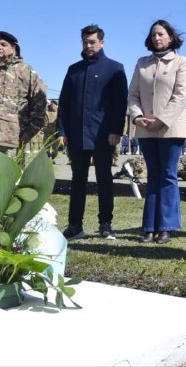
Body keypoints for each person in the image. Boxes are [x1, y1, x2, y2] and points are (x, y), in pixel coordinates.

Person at [57, 25, 128, 240]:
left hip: (103, 135)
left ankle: (105, 224)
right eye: (85, 42)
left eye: (92, 42)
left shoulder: (115, 68)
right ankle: (74, 226)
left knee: (104, 180)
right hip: (77, 135)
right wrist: (62, 130)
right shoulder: (74, 70)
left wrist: (116, 129)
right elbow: (64, 103)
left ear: (102, 43)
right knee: (77, 180)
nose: (88, 46)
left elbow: (120, 103)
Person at [128, 20, 186, 244]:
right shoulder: (141, 63)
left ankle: (166, 226)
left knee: (167, 175)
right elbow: (133, 94)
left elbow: (180, 95)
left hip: (171, 129)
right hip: (145, 129)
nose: (157, 38)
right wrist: (137, 117)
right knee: (152, 175)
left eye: (161, 34)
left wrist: (162, 120)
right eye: (154, 34)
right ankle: (149, 227)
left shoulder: (181, 62)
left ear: (171, 38)